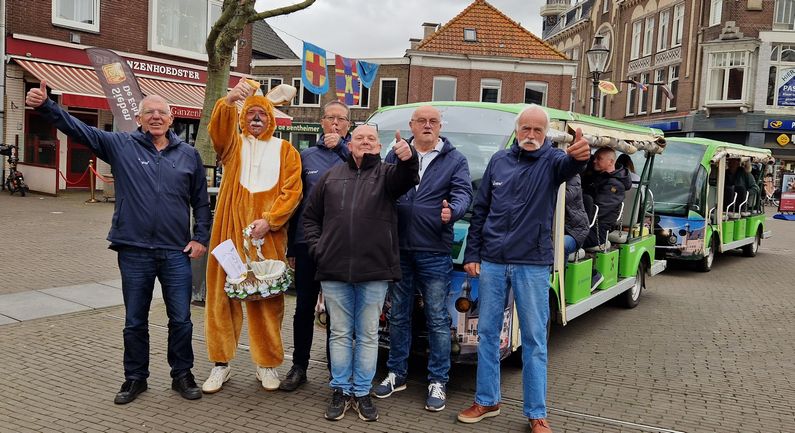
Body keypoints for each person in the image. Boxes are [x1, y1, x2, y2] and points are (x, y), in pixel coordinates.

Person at [25, 82, 211, 405]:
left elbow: (201, 202)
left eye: (161, 112)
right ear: (139, 119)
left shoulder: (189, 155)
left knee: (181, 318)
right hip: (133, 249)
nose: (155, 117)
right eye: (149, 112)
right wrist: (47, 107)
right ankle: (135, 378)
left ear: (172, 118)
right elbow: (79, 130)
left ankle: (182, 374)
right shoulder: (121, 145)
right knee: (134, 320)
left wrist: (200, 238)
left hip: (175, 252)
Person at [456, 105, 590, 433]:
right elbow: (481, 208)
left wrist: (580, 155)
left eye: (537, 130)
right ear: (517, 130)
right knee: (486, 334)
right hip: (493, 261)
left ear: (546, 134)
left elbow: (571, 163)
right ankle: (487, 400)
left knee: (533, 339)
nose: (531, 135)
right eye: (525, 129)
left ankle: (536, 413)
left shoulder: (553, 162)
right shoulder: (499, 161)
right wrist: (472, 253)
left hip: (532, 263)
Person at [303, 124, 419, 422]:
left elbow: (408, 177)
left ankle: (362, 391)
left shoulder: (388, 174)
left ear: (379, 147)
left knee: (367, 335)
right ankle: (341, 389)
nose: (365, 142)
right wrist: (319, 249)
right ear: (349, 144)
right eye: (359, 138)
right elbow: (311, 218)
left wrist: (408, 157)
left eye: (371, 139)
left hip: (375, 269)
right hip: (334, 269)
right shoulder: (331, 177)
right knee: (339, 333)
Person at [201, 78, 302, 394]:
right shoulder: (233, 145)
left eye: (262, 115)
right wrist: (229, 101)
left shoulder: (286, 151)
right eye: (251, 115)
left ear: (271, 119)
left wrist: (271, 221)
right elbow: (217, 131)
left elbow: (292, 191)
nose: (256, 119)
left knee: (267, 302)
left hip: (266, 239)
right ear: (243, 118)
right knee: (221, 299)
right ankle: (220, 365)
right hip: (228, 233)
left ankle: (267, 365)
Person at [373, 106, 473, 412]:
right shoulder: (395, 154)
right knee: (399, 315)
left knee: (438, 319)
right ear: (411, 126)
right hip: (399, 247)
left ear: (440, 126)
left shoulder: (455, 159)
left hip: (433, 249)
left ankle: (438, 380)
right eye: (422, 121)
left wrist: (453, 211)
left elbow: (464, 193)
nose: (427, 125)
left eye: (433, 121)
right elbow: (382, 189)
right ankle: (396, 373)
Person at [280, 101, 352, 392]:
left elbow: (368, 175)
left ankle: (338, 367)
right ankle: (299, 366)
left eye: (341, 119)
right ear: (321, 122)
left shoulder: (354, 155)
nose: (335, 123)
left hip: (342, 246)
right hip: (307, 243)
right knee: (303, 308)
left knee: (338, 310)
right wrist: (292, 248)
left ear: (349, 125)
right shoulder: (305, 156)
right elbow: (295, 202)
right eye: (330, 117)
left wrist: (342, 150)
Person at [564, 174, 589, 259]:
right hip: (550, 231)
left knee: (559, 245)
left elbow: (564, 198)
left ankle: (560, 271)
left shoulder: (573, 176)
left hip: (574, 231)